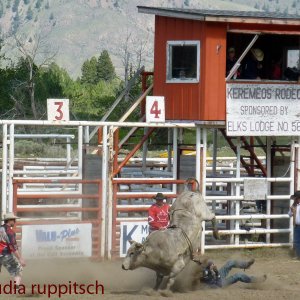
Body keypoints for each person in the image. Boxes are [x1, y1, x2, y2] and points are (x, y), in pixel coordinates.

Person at [193, 256, 266, 288]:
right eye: (211, 265)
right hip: (220, 283)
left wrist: (197, 260)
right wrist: (217, 272)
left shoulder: (202, 270)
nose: (213, 265)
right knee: (238, 275)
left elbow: (204, 264)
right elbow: (218, 284)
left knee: (230, 262)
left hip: (217, 277)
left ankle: (246, 265)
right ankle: (256, 280)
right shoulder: (205, 276)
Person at [0, 212, 26, 290]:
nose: (15, 221)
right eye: (14, 220)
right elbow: (13, 247)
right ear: (9, 220)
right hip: (5, 254)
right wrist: (20, 258)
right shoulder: (10, 232)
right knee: (18, 269)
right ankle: (17, 287)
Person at [288, 191, 300, 259]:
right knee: (297, 241)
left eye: (295, 198)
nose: (295, 200)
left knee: (297, 241)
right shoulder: (294, 206)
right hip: (297, 226)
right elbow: (289, 215)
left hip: (297, 226)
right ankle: (299, 256)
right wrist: (291, 210)